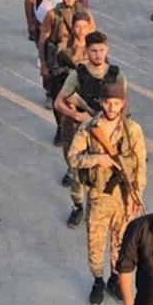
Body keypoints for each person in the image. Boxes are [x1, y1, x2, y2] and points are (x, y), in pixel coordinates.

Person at [67, 82, 147, 305]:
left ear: (123, 104)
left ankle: (114, 279)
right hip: (99, 196)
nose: (112, 108)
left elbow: (140, 165)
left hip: (125, 197)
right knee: (96, 243)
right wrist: (97, 159)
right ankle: (98, 281)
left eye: (116, 103)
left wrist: (137, 195)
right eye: (108, 103)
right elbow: (73, 157)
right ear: (101, 103)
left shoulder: (133, 130)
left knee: (121, 243)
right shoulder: (89, 128)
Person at [54, 31, 126, 226]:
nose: (98, 55)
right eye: (94, 51)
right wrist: (79, 116)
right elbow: (59, 102)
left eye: (101, 50)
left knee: (108, 170)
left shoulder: (116, 75)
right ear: (86, 51)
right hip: (80, 131)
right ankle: (78, 206)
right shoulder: (78, 74)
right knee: (77, 174)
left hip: (107, 132)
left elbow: (123, 105)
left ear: (107, 50)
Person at [51, 11, 95, 190]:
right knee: (68, 141)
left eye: (85, 27)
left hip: (90, 102)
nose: (81, 30)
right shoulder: (65, 47)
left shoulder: (94, 48)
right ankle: (71, 168)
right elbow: (56, 69)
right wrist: (71, 70)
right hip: (71, 102)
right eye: (78, 26)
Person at [39, 0, 88, 126]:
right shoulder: (52, 14)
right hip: (58, 61)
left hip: (78, 59)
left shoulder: (84, 14)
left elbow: (93, 37)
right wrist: (43, 64)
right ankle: (60, 127)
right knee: (57, 95)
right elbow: (43, 40)